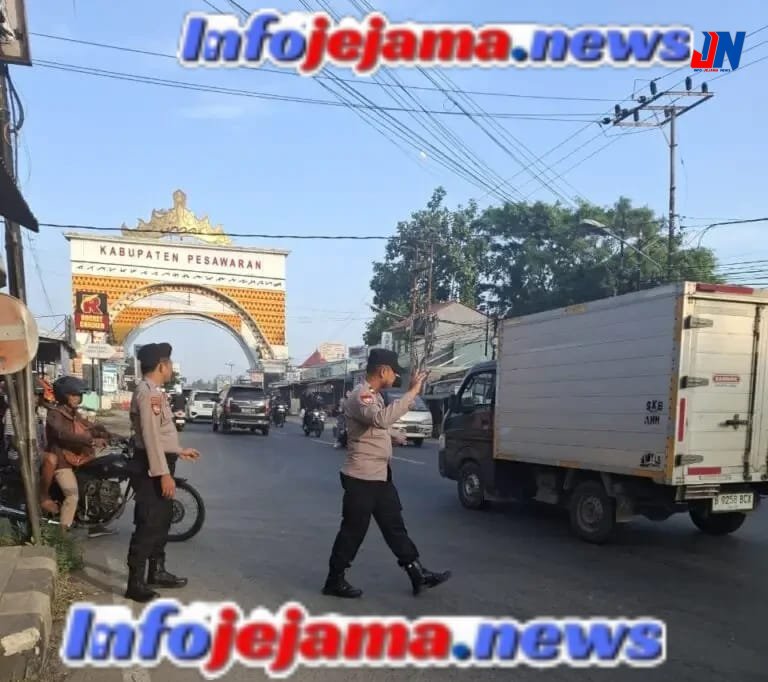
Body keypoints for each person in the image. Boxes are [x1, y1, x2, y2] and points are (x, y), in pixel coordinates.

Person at [323, 349, 450, 599]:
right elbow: (380, 420)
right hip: (361, 478)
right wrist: (412, 392)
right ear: (383, 371)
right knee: (353, 531)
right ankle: (334, 581)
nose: (396, 376)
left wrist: (394, 436)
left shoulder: (375, 396)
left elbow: (373, 427)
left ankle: (417, 573)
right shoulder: (362, 396)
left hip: (380, 476)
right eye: (394, 371)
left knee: (395, 526)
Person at [126, 342, 200, 603]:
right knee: (149, 521)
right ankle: (135, 583)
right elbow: (149, 436)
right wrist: (163, 473)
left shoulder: (155, 391)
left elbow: (160, 434)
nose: (171, 368)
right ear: (161, 365)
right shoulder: (148, 393)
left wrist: (179, 450)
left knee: (163, 519)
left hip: (160, 462)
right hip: (151, 466)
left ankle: (156, 571)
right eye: (169, 363)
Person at [42, 376, 112, 530]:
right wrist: (91, 441)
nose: (77, 398)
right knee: (72, 495)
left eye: (78, 395)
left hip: (77, 458)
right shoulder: (55, 414)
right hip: (62, 460)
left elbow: (88, 426)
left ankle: (96, 520)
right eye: (73, 394)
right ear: (64, 395)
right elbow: (63, 434)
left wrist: (110, 435)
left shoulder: (74, 413)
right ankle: (62, 535)